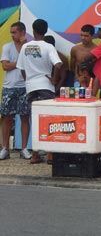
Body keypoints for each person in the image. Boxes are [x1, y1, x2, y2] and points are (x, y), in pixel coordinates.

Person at [16, 19, 62, 164]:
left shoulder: (25, 47)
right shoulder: (48, 47)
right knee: (49, 120)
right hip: (45, 86)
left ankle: (35, 154)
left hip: (31, 88)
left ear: (33, 30)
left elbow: (21, 68)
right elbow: (59, 64)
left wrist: (28, 80)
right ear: (46, 30)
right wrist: (54, 80)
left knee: (35, 120)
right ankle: (50, 154)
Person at [0, 22, 30, 160]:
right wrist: (20, 63)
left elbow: (30, 64)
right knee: (7, 117)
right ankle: (5, 148)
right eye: (11, 32)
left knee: (24, 117)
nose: (12, 35)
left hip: (25, 86)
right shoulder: (7, 47)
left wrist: (23, 49)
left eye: (14, 32)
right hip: (10, 86)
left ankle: (24, 148)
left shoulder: (29, 47)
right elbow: (5, 66)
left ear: (22, 32)